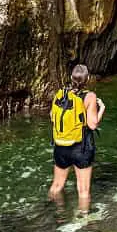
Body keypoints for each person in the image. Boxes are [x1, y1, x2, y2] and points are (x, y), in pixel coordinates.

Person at [48, 64, 105, 211]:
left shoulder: (61, 93)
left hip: (60, 145)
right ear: (87, 79)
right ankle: (82, 227)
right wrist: (102, 109)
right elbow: (92, 125)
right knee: (83, 191)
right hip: (81, 147)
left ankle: (54, 213)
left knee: (57, 185)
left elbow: (52, 117)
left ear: (71, 78)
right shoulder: (90, 96)